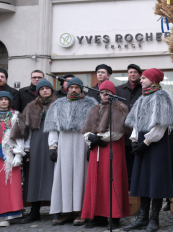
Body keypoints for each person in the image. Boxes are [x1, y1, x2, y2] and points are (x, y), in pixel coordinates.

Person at [123, 68, 173, 232]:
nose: (141, 79)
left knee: (156, 181)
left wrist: (146, 142)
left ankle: (154, 219)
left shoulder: (162, 98)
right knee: (143, 179)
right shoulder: (143, 98)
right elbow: (137, 123)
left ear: (153, 80)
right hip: (143, 144)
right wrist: (134, 140)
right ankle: (142, 218)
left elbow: (161, 126)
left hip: (156, 145)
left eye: (144, 77)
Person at [44, 77, 98, 226]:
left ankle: (81, 211)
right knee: (64, 176)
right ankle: (66, 211)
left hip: (83, 141)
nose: (74, 90)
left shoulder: (91, 104)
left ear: (81, 89)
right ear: (67, 88)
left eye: (77, 87)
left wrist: (90, 146)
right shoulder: (58, 105)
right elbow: (53, 128)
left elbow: (94, 127)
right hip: (64, 143)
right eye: (71, 87)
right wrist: (52, 147)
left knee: (82, 176)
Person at [80, 80, 130, 229]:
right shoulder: (95, 109)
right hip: (97, 149)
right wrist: (91, 137)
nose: (104, 95)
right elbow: (87, 130)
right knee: (97, 182)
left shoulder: (119, 108)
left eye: (107, 92)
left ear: (113, 93)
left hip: (112, 149)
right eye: (102, 92)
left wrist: (99, 138)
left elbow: (117, 132)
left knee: (112, 181)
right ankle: (98, 216)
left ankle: (114, 217)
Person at [10, 79, 57, 224]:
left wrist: (56, 146)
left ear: (51, 90)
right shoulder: (30, 107)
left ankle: (57, 211)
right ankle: (35, 211)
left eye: (47, 88)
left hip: (53, 143)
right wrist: (27, 150)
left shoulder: (58, 105)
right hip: (36, 143)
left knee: (54, 177)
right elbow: (26, 130)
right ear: (38, 91)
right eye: (42, 89)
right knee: (34, 176)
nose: (45, 91)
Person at [0, 92, 24, 227]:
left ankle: (7, 215)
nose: (3, 102)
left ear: (10, 101)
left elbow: (20, 136)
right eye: (1, 99)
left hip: (9, 152)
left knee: (8, 184)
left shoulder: (16, 116)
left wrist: (18, 154)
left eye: (6, 99)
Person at [116, 64, 143, 186]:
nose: (132, 74)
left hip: (140, 132)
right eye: (130, 72)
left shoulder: (144, 89)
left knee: (139, 162)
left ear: (140, 74)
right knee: (125, 162)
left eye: (135, 72)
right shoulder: (119, 89)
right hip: (123, 132)